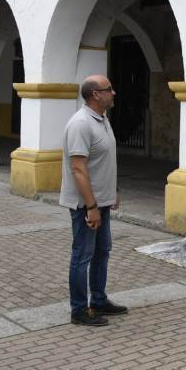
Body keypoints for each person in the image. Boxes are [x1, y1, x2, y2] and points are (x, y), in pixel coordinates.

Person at [60, 75, 128, 326]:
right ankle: (79, 310)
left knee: (102, 251)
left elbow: (104, 161)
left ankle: (98, 300)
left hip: (102, 201)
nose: (114, 92)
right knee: (83, 255)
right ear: (95, 95)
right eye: (109, 89)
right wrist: (91, 207)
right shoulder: (81, 124)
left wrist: (113, 190)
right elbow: (78, 169)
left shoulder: (102, 119)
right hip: (85, 205)